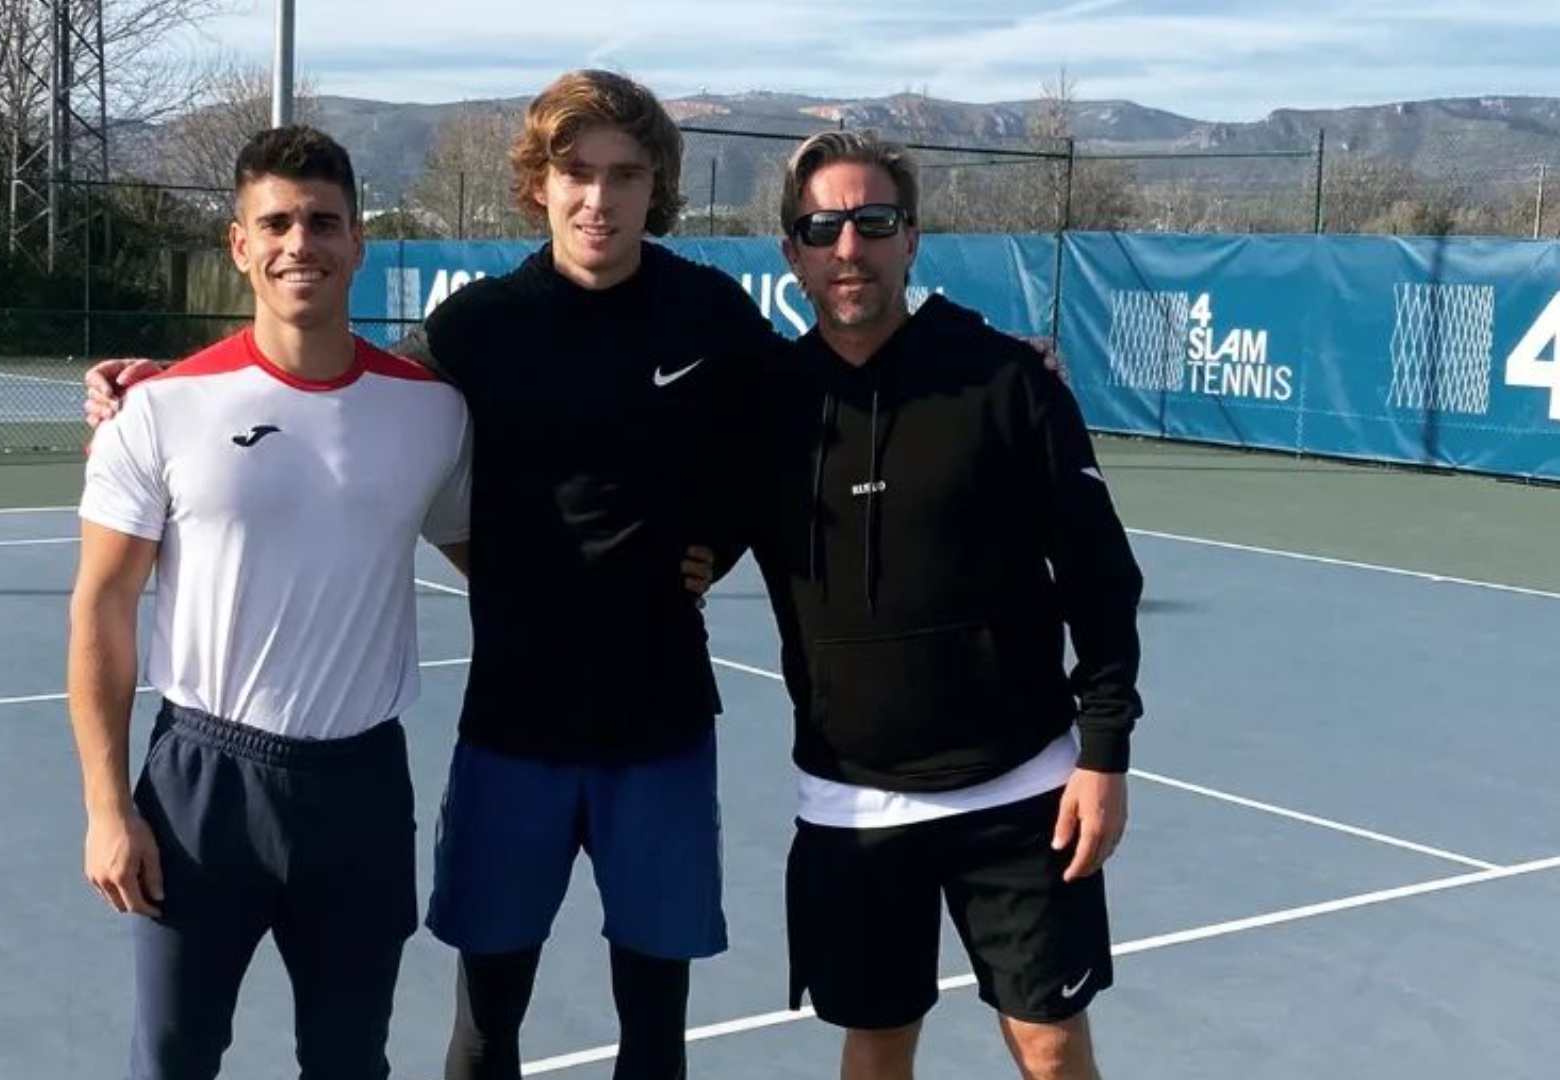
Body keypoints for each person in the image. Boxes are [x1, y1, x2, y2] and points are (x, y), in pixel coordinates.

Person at [83, 71, 768, 1080]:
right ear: (538, 183)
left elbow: (801, 433)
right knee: (484, 1019)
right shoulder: (477, 329)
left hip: (662, 724)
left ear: (654, 185)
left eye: (625, 175)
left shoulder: (712, 315)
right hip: (511, 733)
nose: (600, 197)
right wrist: (149, 386)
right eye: (577, 171)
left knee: (652, 1023)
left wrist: (724, 537)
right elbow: (325, 382)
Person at [66, 124, 473, 1080]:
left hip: (364, 791)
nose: (302, 243)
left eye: (324, 222)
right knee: (173, 1057)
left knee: (348, 1061)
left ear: (358, 241)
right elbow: (102, 610)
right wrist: (105, 808)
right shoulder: (160, 408)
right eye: (277, 222)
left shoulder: (432, 411)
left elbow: (498, 561)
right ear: (240, 245)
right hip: (203, 787)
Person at [742, 130, 1145, 1080]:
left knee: (1051, 1052)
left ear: (912, 239)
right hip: (852, 801)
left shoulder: (1005, 382)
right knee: (876, 1050)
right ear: (791, 250)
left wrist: (1104, 753)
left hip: (1023, 794)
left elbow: (1100, 574)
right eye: (823, 227)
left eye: (874, 223)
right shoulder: (763, 408)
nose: (851, 248)